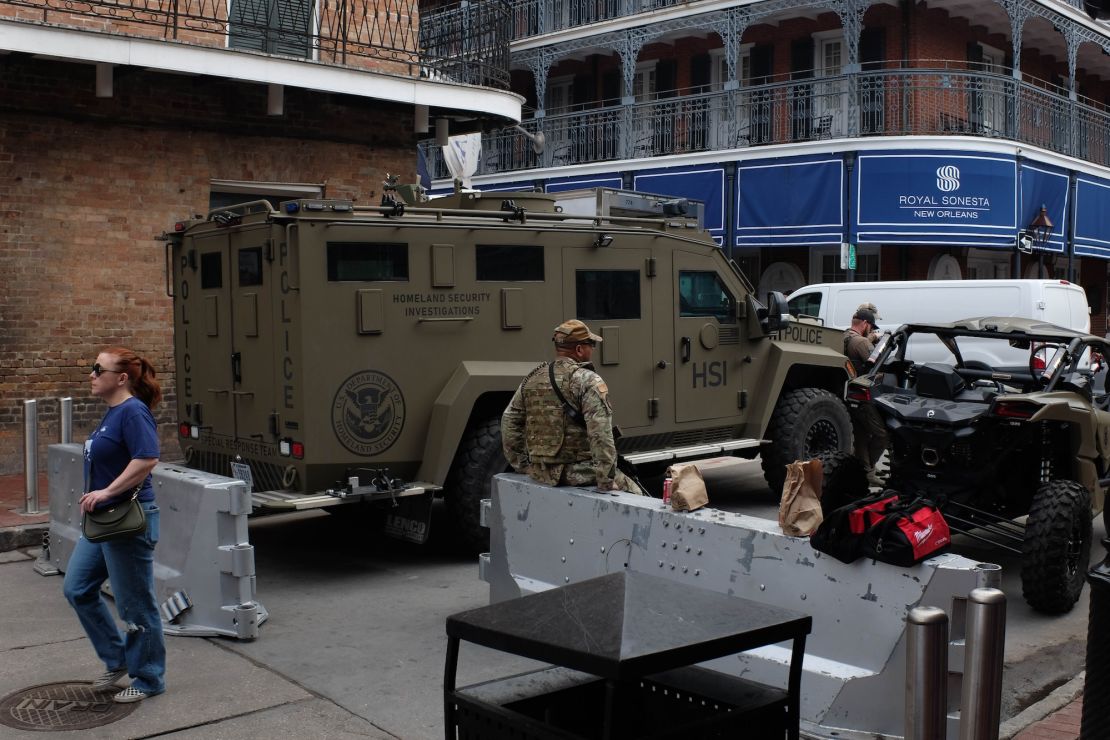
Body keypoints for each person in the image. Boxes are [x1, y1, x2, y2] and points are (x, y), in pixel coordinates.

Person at [63, 346, 165, 704]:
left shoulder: (133, 412)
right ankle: (118, 657)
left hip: (127, 521)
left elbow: (147, 458)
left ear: (121, 378)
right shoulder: (112, 414)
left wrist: (106, 492)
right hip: (104, 520)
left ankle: (149, 677)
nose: (91, 375)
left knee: (135, 605)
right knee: (77, 588)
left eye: (97, 369)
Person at [502, 319, 644, 494]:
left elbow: (509, 420)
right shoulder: (587, 380)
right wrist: (606, 481)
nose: (592, 349)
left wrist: (522, 465)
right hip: (580, 473)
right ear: (579, 349)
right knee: (637, 493)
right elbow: (600, 434)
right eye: (590, 344)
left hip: (542, 473)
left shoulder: (532, 378)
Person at [843, 308, 889, 486]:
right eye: (871, 327)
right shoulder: (861, 342)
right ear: (865, 324)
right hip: (863, 395)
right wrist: (878, 343)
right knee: (882, 435)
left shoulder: (843, 337)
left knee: (861, 436)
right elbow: (877, 363)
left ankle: (866, 470)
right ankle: (868, 471)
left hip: (849, 394)